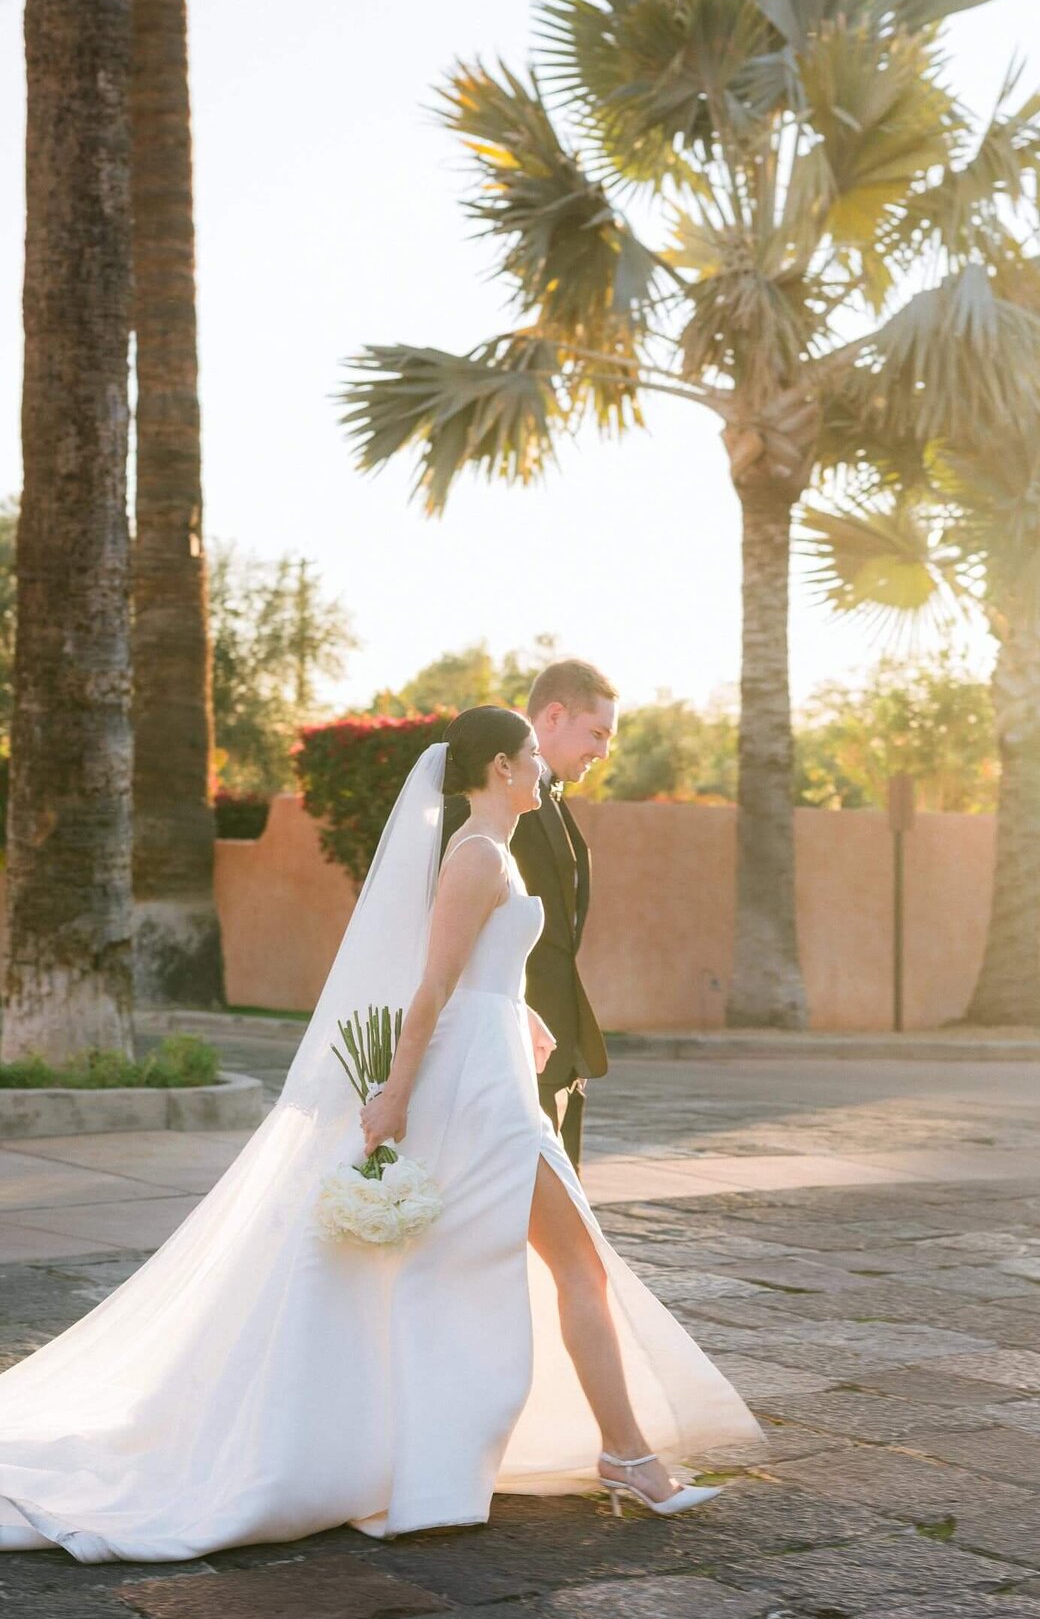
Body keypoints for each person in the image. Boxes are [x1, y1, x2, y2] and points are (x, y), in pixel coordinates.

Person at [0, 707, 765, 1564]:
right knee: (570, 1262)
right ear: (504, 767)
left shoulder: (494, 854)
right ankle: (623, 1456)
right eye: (533, 760)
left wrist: (525, 1019)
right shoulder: (477, 857)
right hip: (479, 1092)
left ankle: (601, 1451)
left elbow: (479, 976)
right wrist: (396, 1091)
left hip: (498, 1069)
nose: (546, 772)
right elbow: (430, 985)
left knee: (541, 1263)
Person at [441, 660, 615, 1172]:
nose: (603, 752)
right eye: (597, 733)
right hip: (503, 1054)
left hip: (557, 1050)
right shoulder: (473, 814)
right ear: (555, 715)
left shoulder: (550, 803)